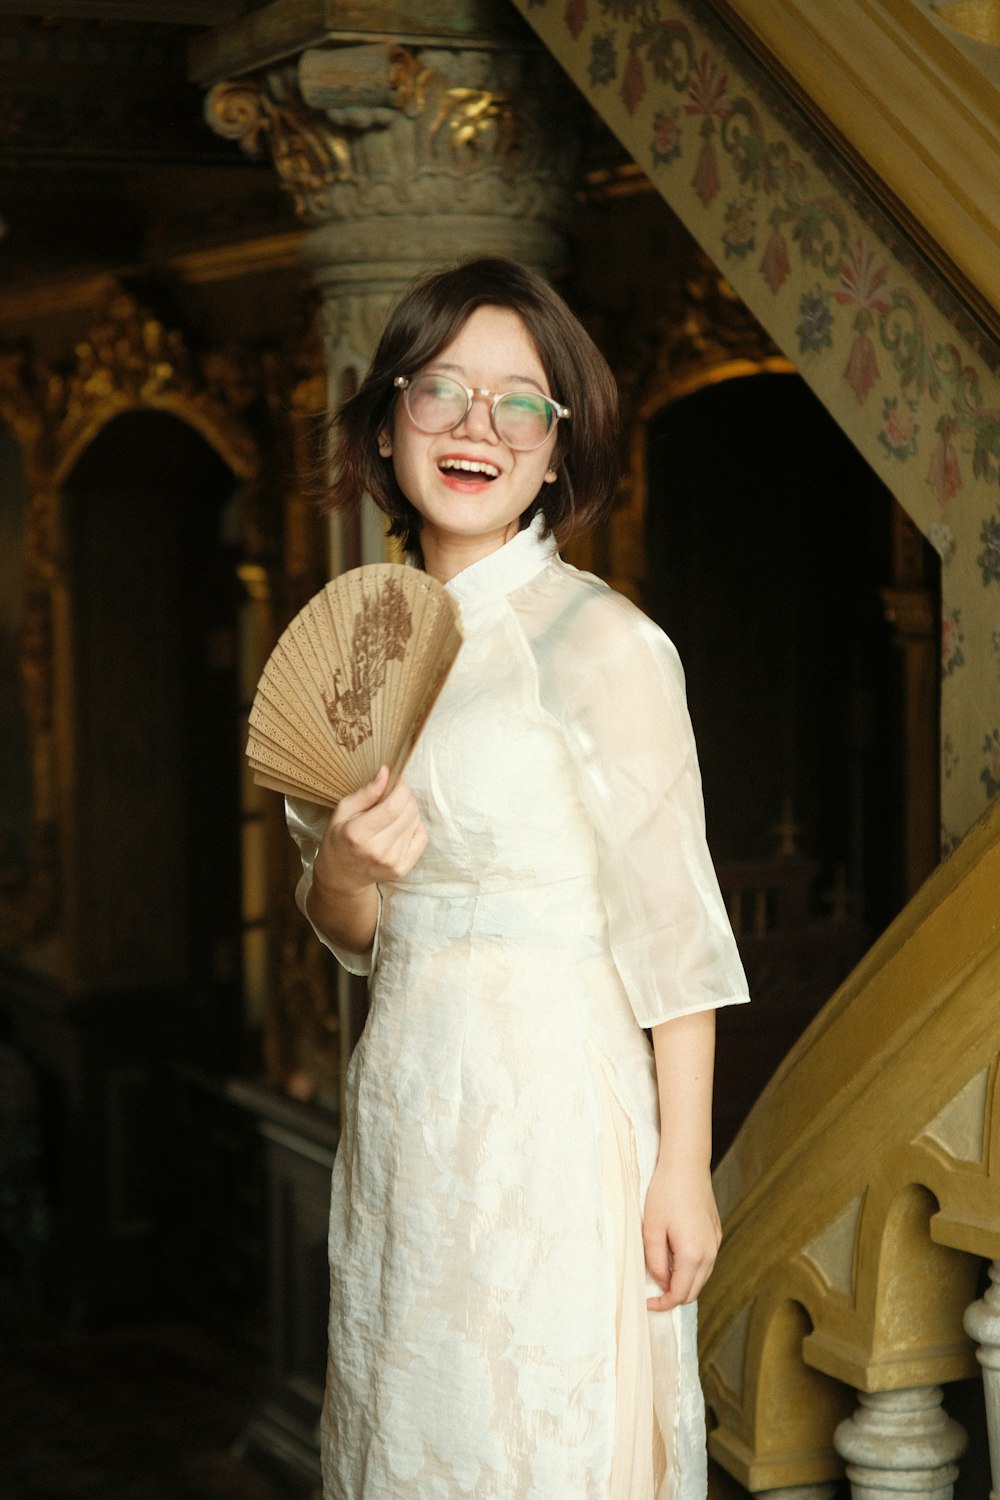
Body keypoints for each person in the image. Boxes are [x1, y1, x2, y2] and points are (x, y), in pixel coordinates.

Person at [286, 256, 750, 1500]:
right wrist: (339, 861)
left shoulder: (602, 641)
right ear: (388, 423)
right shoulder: (360, 645)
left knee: (539, 1439)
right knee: (405, 1430)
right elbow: (347, 934)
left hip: (557, 1117)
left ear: (560, 445)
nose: (476, 427)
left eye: (519, 403)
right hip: (404, 1111)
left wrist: (682, 1168)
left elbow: (676, 933)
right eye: (440, 391)